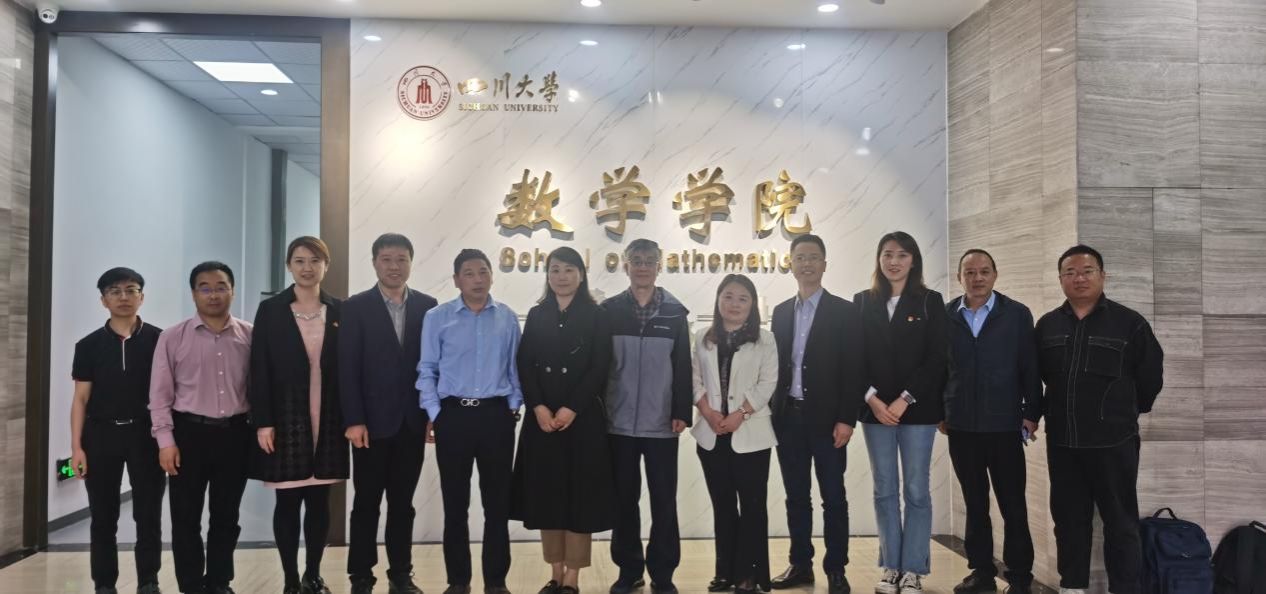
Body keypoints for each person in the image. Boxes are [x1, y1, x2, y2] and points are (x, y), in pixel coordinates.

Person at [1037, 245, 1163, 594]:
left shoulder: (1130, 323)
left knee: (1121, 524)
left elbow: (1150, 378)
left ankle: (1125, 588)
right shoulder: (1047, 325)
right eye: (1070, 272)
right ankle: (1072, 586)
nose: (1079, 278)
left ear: (1102, 276)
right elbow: (1039, 376)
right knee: (1068, 521)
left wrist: (1122, 413)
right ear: (1060, 279)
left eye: (1087, 271)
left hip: (1114, 443)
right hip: (1063, 442)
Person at [511, 246, 616, 594]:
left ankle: (573, 576)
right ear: (547, 275)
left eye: (569, 269)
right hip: (542, 422)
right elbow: (525, 364)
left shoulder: (597, 315)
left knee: (579, 498)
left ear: (581, 275)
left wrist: (572, 407)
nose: (562, 276)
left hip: (581, 420)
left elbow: (599, 367)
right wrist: (538, 407)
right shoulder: (537, 313)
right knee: (547, 495)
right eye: (555, 269)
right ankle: (555, 572)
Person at [418, 249, 523, 594]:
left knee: (497, 505)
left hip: (496, 417)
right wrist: (435, 413)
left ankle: (496, 581)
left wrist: (513, 407)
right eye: (469, 273)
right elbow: (427, 369)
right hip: (454, 417)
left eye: (483, 271)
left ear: (492, 275)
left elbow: (515, 367)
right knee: (455, 505)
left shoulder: (507, 318)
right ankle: (458, 581)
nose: (477, 279)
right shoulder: (437, 317)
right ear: (456, 280)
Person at [248, 237, 347, 594]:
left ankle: (313, 574)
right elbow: (258, 368)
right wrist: (263, 421)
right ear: (289, 265)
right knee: (288, 500)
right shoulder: (271, 309)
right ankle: (290, 578)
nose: (308, 268)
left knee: (320, 501)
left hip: (330, 415)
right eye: (300, 260)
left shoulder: (340, 310)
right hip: (286, 415)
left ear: (326, 266)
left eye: (315, 261)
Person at [340, 233, 437, 594]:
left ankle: (401, 574)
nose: (394, 267)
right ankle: (361, 576)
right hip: (369, 424)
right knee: (366, 503)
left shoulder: (428, 306)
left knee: (402, 504)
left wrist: (432, 413)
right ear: (374, 263)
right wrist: (353, 420)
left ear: (411, 262)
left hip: (411, 422)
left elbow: (434, 366)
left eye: (401, 259)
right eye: (386, 259)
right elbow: (347, 368)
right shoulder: (355, 307)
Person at [150, 261, 253, 594]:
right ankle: (192, 585)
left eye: (221, 287)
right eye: (204, 288)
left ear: (232, 291)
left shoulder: (250, 335)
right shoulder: (172, 337)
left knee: (227, 516)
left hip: (235, 435)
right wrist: (165, 442)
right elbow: (159, 396)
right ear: (193, 293)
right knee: (185, 517)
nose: (213, 294)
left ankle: (220, 582)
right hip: (188, 435)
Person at [769, 234, 865, 594]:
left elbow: (853, 369)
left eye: (813, 257)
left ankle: (836, 569)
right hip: (788, 419)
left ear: (824, 264)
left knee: (834, 498)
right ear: (790, 264)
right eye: (800, 257)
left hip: (828, 423)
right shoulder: (781, 312)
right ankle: (800, 564)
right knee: (796, 496)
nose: (806, 263)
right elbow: (775, 367)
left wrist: (847, 419)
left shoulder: (844, 311)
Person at [942, 249, 1040, 594]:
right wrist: (942, 411)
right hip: (962, 427)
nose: (977, 278)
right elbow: (939, 368)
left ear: (995, 275)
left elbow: (1030, 366)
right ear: (960, 277)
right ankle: (981, 573)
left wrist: (1032, 413)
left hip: (1004, 425)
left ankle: (1020, 578)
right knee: (975, 503)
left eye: (984, 271)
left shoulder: (1016, 314)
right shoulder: (946, 315)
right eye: (970, 272)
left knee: (1013, 504)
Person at [855, 231, 947, 594]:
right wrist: (873, 399)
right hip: (875, 411)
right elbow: (853, 356)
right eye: (888, 254)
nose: (894, 261)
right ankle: (891, 566)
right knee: (884, 489)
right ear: (879, 259)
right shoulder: (863, 302)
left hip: (917, 410)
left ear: (914, 261)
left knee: (916, 490)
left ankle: (913, 570)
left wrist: (904, 399)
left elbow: (937, 357)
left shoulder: (929, 301)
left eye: (902, 255)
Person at [602, 238, 693, 594]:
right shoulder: (609, 311)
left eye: (649, 261)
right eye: (636, 260)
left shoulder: (675, 313)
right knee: (623, 501)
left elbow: (682, 366)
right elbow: (600, 366)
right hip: (618, 422)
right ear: (625, 265)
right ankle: (629, 571)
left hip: (662, 423)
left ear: (659, 266)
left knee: (663, 501)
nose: (642, 267)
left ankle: (663, 573)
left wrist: (681, 411)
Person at [70, 267, 165, 594]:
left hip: (146, 436)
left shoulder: (160, 340)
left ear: (142, 296)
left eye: (131, 290)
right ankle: (104, 584)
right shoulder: (88, 345)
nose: (123, 297)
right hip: (100, 436)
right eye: (115, 291)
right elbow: (80, 399)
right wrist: (76, 448)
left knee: (148, 514)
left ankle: (149, 581)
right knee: (102, 516)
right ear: (103, 300)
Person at [690, 274, 779, 594]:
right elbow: (693, 379)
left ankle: (748, 575)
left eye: (743, 298)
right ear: (718, 299)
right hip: (712, 434)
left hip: (751, 435)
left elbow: (768, 383)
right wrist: (708, 412)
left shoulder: (765, 339)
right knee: (723, 505)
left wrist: (740, 413)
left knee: (752, 507)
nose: (734, 304)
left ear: (752, 304)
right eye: (728, 296)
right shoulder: (702, 337)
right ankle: (724, 572)